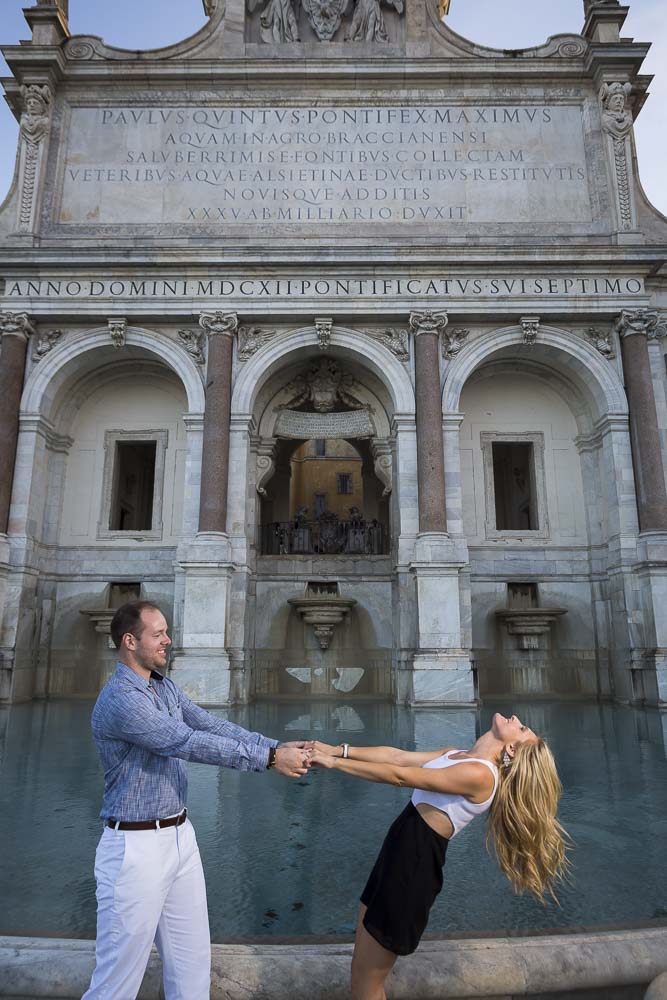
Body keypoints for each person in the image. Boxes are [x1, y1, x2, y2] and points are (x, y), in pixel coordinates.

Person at [82, 600, 310, 1000]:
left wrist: (273, 744)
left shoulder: (162, 685)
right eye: (159, 634)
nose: (168, 640)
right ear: (130, 641)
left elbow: (207, 723)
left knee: (191, 970)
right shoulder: (122, 698)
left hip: (179, 838)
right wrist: (270, 760)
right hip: (135, 849)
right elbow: (183, 742)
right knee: (115, 985)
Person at [308, 713, 569, 1000]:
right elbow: (397, 758)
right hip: (396, 856)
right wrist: (338, 750)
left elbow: (400, 777)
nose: (516, 718)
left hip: (412, 871)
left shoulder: (482, 776)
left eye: (520, 728)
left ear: (510, 750)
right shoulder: (456, 755)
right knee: (360, 973)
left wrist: (333, 763)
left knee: (366, 986)